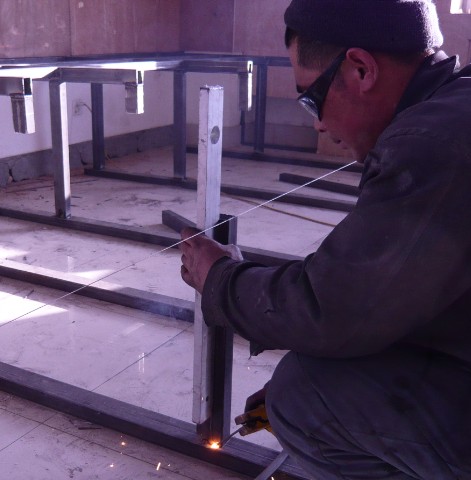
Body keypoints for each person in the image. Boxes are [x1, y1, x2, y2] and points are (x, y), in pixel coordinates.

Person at [179, 0, 471, 478]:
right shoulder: (456, 105)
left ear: (361, 69)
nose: (316, 123)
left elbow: (335, 309)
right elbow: (396, 298)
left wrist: (219, 279)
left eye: (310, 98)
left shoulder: (433, 143)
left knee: (302, 396)